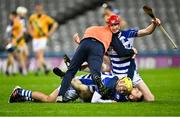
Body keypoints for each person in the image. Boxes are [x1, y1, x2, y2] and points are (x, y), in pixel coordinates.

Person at [57, 15, 137, 102]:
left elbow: (89, 42)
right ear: (109, 25)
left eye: (116, 25)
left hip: (84, 44)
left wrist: (79, 43)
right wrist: (132, 51)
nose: (114, 27)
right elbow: (122, 52)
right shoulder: (112, 35)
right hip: (97, 47)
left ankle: (60, 96)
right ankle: (99, 84)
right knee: (96, 72)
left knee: (70, 72)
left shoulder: (93, 28)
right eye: (113, 25)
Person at [9, 73, 142, 103]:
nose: (122, 90)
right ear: (120, 82)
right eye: (123, 87)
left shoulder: (120, 91)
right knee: (48, 99)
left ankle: (22, 97)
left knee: (53, 103)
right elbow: (95, 100)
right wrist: (108, 102)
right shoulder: (110, 82)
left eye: (125, 90)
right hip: (75, 83)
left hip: (79, 91)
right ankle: (19, 91)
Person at [28, 3, 58, 75]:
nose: (38, 9)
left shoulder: (45, 17)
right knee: (37, 55)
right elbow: (29, 25)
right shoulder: (32, 17)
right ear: (36, 8)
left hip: (42, 38)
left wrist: (50, 33)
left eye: (39, 8)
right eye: (37, 8)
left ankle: (37, 70)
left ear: (41, 9)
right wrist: (31, 33)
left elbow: (55, 24)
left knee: (40, 54)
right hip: (35, 38)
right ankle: (45, 67)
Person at [5, 11, 24, 75]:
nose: (10, 17)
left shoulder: (15, 22)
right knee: (11, 55)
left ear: (13, 16)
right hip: (14, 42)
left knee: (11, 55)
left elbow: (20, 33)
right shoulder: (16, 22)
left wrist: (14, 40)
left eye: (10, 16)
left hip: (14, 42)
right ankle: (9, 70)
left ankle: (13, 70)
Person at [15, 6, 29, 75]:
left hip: (22, 40)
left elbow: (23, 30)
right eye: (24, 13)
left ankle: (21, 67)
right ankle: (23, 70)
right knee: (20, 56)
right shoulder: (16, 20)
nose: (24, 14)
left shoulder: (22, 20)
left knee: (26, 54)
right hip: (18, 41)